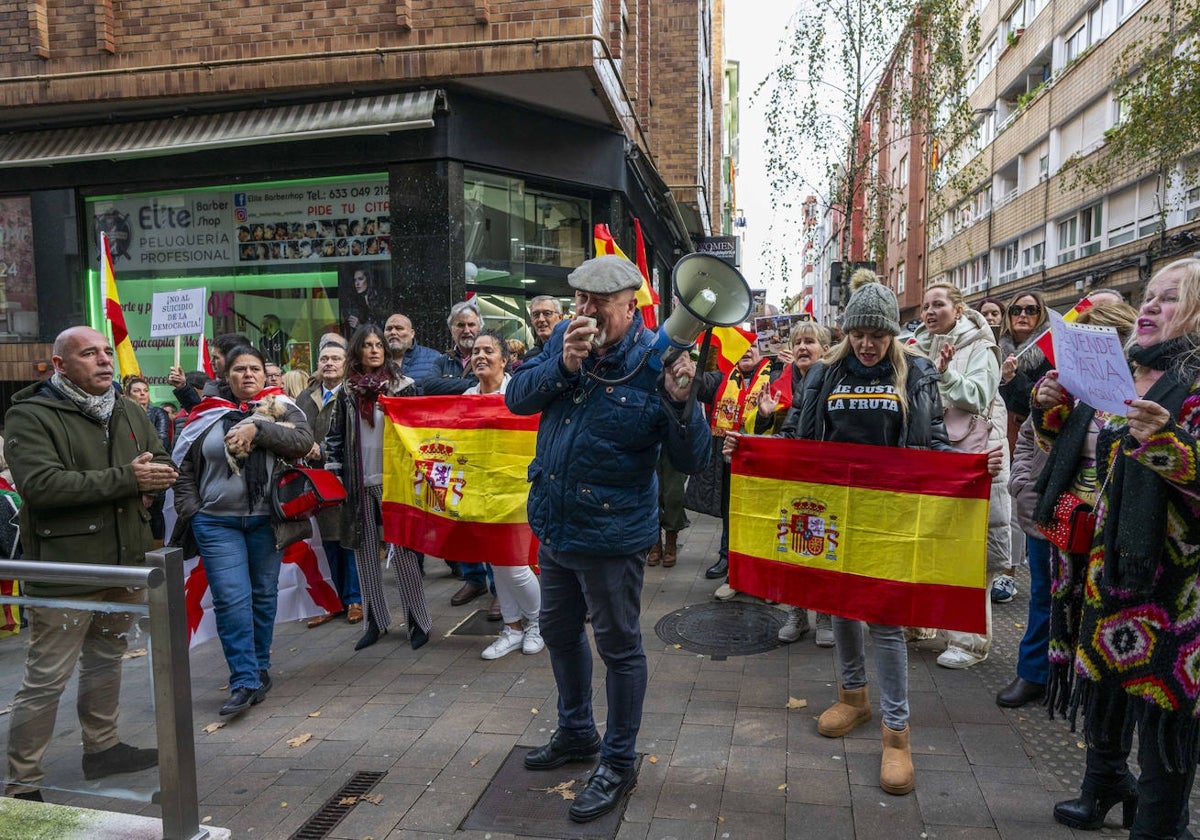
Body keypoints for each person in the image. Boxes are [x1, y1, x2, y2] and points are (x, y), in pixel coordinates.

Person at [725, 278, 1002, 796]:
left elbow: (933, 443)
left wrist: (972, 468)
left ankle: (897, 733)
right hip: (834, 512)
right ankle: (853, 697)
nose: (868, 345)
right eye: (859, 334)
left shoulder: (916, 371)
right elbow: (800, 438)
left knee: (887, 620)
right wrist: (753, 447)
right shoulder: (826, 374)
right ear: (847, 332)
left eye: (878, 335)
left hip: (890, 514)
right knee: (841, 606)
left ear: (893, 334)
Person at [507, 255, 709, 824]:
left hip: (613, 535)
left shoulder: (659, 358)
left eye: (597, 304)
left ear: (630, 305)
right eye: (579, 301)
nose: (585, 313)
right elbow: (516, 397)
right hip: (555, 523)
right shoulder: (563, 346)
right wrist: (562, 367)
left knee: (619, 648)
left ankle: (617, 760)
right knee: (559, 631)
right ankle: (576, 732)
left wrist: (679, 401)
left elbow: (692, 457)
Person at [1035, 259, 1200, 838]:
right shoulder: (1122, 371)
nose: (1150, 306)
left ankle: (1161, 826)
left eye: (1169, 298)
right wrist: (1052, 404)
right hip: (1099, 568)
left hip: (1170, 585)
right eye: (1149, 296)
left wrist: (1168, 443)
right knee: (1102, 685)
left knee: (1162, 713)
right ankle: (1104, 784)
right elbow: (1082, 447)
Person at [4, 326, 178, 800]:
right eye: (90, 353)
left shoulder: (128, 409)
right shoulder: (30, 415)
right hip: (68, 570)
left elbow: (159, 459)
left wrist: (158, 475)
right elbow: (42, 486)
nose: (105, 360)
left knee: (107, 663)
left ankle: (101, 749)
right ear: (60, 365)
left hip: (125, 565)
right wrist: (129, 477)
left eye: (107, 351)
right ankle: (22, 783)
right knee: (46, 679)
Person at [997, 300, 1138, 709]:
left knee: (1100, 603)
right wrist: (1025, 486)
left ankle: (1089, 684)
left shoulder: (1140, 393)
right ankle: (1034, 674)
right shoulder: (1061, 385)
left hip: (1106, 521)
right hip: (1056, 510)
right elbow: (1026, 440)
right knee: (1047, 594)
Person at [170, 346, 313, 716]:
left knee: (263, 595)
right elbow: (185, 471)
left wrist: (257, 426)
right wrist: (194, 513)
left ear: (265, 375)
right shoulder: (206, 414)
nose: (248, 375)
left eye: (255, 368)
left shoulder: (282, 406)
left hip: (267, 520)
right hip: (216, 522)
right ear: (226, 376)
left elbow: (302, 442)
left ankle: (260, 665)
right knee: (231, 599)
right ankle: (244, 680)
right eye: (239, 369)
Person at [912, 282, 1010, 669]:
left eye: (938, 304)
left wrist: (947, 376)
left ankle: (970, 642)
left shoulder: (980, 347)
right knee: (931, 542)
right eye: (925, 306)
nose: (930, 311)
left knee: (968, 550)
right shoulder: (917, 345)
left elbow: (979, 396)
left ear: (958, 309)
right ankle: (922, 623)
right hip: (933, 455)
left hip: (973, 459)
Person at [325, 324, 433, 651]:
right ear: (358, 351)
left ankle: (419, 620)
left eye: (379, 345)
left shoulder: (403, 387)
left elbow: (421, 434)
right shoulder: (346, 392)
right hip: (360, 484)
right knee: (366, 553)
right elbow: (334, 439)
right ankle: (376, 621)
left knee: (403, 554)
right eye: (367, 345)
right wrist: (336, 478)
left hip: (395, 484)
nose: (374, 350)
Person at [749, 320, 836, 646]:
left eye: (810, 341)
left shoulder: (834, 380)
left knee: (825, 544)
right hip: (791, 475)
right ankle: (797, 614)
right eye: (797, 341)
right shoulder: (778, 380)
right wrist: (767, 416)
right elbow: (770, 433)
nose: (802, 347)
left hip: (825, 475)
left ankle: (825, 613)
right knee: (793, 544)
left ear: (825, 349)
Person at [463, 331, 544, 659]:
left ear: (504, 359)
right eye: (475, 351)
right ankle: (511, 628)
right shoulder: (467, 396)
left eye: (488, 350)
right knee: (497, 562)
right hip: (483, 491)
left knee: (516, 565)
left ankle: (538, 623)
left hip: (518, 489)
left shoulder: (519, 393)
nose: (480, 356)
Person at [298, 335, 363, 628]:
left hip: (345, 476)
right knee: (323, 542)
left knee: (347, 539)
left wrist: (322, 450)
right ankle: (331, 600)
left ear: (347, 364)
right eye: (324, 359)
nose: (329, 363)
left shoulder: (354, 394)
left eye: (336, 359)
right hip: (313, 479)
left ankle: (355, 599)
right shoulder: (305, 397)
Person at [995, 290, 1050, 601]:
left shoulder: (1047, 353)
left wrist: (1012, 379)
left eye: (1031, 309)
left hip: (1030, 439)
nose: (1023, 315)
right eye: (1016, 309)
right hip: (997, 434)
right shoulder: (998, 350)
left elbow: (1036, 400)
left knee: (1017, 507)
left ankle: (1009, 573)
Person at [125, 376, 173, 545]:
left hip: (154, 468)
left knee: (155, 515)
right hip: (129, 472)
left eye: (145, 391)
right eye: (137, 391)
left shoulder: (158, 413)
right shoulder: (123, 414)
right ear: (128, 394)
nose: (142, 394)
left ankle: (156, 552)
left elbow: (161, 442)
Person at [167, 333, 250, 411]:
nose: (211, 362)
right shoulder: (213, 389)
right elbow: (201, 414)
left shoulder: (259, 395)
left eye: (216, 358)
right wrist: (182, 387)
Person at [421, 300, 483, 397]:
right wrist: (473, 385)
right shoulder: (442, 361)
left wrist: (448, 385)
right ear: (451, 329)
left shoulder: (489, 358)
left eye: (471, 325)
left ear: (480, 328)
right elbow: (428, 385)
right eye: (460, 325)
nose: (466, 330)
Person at [383, 312, 441, 384]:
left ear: (412, 333)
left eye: (399, 328)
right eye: (388, 329)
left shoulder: (434, 358)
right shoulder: (374, 359)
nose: (393, 332)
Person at [524, 295, 563, 362]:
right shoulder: (530, 357)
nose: (541, 319)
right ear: (531, 320)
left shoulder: (570, 349)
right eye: (536, 314)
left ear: (560, 317)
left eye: (547, 313)